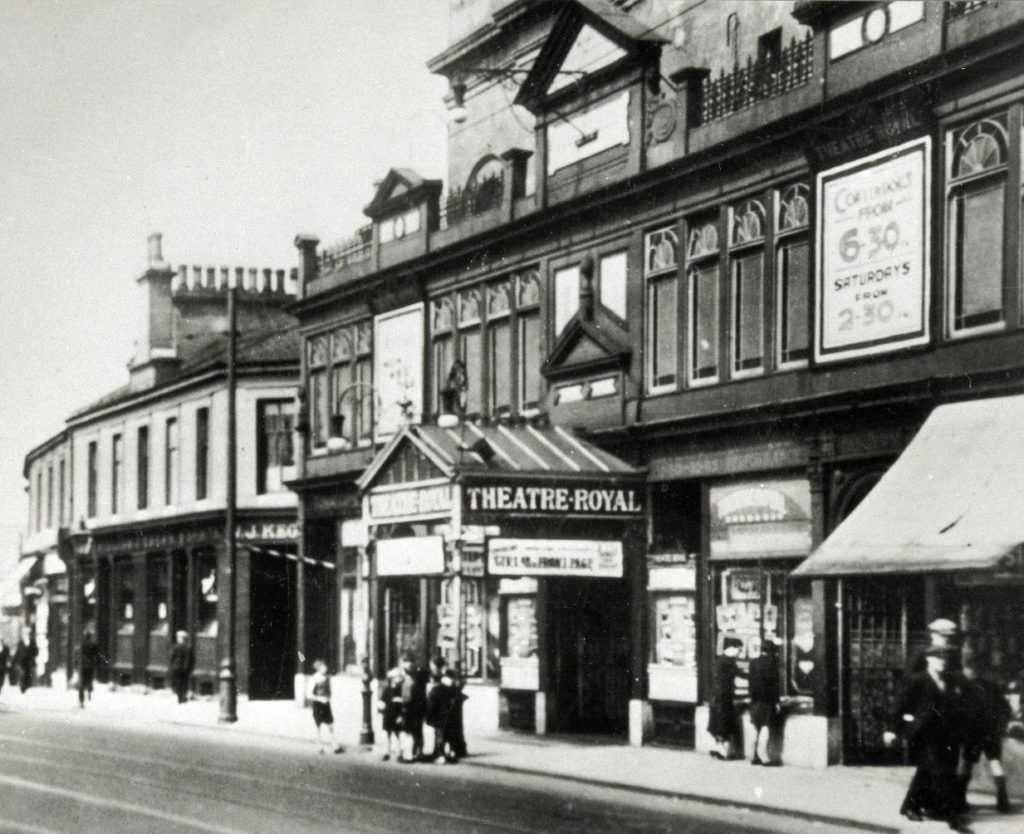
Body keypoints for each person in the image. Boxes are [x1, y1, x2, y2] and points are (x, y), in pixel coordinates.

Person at [884, 645, 965, 831]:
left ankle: (909, 806)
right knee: (940, 772)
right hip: (923, 735)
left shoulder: (950, 681)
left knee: (926, 772)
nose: (941, 662)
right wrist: (892, 729)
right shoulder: (917, 680)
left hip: (946, 736)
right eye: (937, 658)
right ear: (929, 659)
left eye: (944, 659)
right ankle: (953, 818)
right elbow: (900, 706)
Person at [959, 650, 1012, 814]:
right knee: (995, 763)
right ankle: (1002, 798)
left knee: (966, 764)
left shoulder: (964, 688)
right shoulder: (991, 686)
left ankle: (960, 799)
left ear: (967, 668)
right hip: (991, 731)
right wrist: (1001, 726)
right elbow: (1005, 708)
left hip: (972, 732)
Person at [748, 636, 782, 766]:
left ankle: (753, 755)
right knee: (765, 728)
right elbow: (774, 685)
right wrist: (777, 701)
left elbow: (751, 683)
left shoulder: (753, 663)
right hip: (768, 701)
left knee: (755, 728)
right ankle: (764, 756)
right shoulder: (772, 664)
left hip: (755, 701)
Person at [708, 637, 742, 760]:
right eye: (739, 649)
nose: (740, 652)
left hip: (721, 698)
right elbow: (722, 681)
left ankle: (720, 750)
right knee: (723, 725)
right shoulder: (724, 662)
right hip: (721, 699)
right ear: (731, 649)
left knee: (721, 726)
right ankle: (723, 752)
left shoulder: (725, 661)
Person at [425, 656, 460, 763]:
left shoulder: (440, 681)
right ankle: (447, 752)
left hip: (440, 710)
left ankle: (440, 754)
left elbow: (433, 696)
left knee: (440, 732)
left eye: (433, 666)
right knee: (443, 732)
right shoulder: (445, 679)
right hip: (446, 710)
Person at [395, 650, 427, 763]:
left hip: (416, 707)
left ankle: (418, 751)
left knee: (417, 730)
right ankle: (408, 752)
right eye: (406, 661)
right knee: (407, 730)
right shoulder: (400, 676)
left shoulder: (418, 675)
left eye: (410, 661)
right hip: (405, 707)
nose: (408, 664)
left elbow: (421, 692)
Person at [307, 659, 342, 754]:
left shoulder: (327, 678)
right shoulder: (314, 678)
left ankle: (335, 745)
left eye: (324, 666)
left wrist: (328, 697)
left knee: (330, 725)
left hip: (326, 704)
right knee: (318, 725)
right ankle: (320, 746)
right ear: (318, 668)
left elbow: (329, 690)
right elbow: (309, 694)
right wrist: (319, 699)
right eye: (322, 666)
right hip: (318, 705)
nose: (325, 668)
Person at [378, 668, 403, 761]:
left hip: (396, 715)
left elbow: (402, 703)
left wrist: (401, 716)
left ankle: (399, 752)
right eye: (397, 677)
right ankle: (387, 752)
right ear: (392, 679)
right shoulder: (387, 689)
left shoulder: (400, 689)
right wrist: (381, 706)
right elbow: (382, 701)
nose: (399, 679)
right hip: (388, 715)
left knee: (398, 734)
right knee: (387, 734)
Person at [168, 630, 194, 704]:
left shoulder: (176, 646)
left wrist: (172, 666)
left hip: (177, 667)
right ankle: (183, 696)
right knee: (184, 682)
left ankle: (180, 697)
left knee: (178, 682)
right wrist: (188, 667)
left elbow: (172, 657)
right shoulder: (189, 647)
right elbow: (190, 659)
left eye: (178, 637)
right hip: (185, 668)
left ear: (180, 638)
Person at [78, 631, 102, 708]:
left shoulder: (82, 645)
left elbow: (79, 655)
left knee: (82, 682)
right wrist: (96, 664)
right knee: (89, 679)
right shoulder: (93, 645)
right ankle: (89, 690)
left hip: (83, 666)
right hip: (90, 666)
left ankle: (81, 700)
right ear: (90, 637)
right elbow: (97, 655)